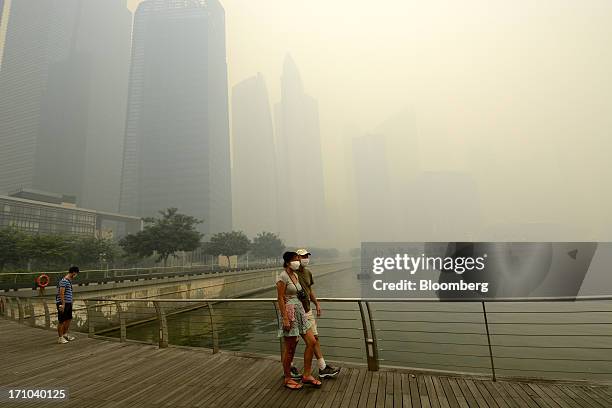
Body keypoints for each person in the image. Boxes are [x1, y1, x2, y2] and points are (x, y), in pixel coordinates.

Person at [289, 249, 341, 379]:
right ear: (296, 258)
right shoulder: (291, 273)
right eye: (302, 256)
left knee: (314, 339)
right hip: (295, 312)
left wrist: (316, 304)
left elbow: (309, 290)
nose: (305, 258)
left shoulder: (308, 273)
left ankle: (322, 368)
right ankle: (289, 367)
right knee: (293, 341)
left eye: (307, 256)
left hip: (307, 311)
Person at [277, 251, 321, 389]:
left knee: (312, 341)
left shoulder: (295, 275)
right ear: (288, 261)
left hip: (300, 311)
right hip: (289, 313)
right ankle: (288, 378)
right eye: (296, 259)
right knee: (290, 349)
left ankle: (306, 375)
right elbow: (280, 298)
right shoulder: (282, 277)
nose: (298, 261)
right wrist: (285, 318)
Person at [55, 266, 79, 344]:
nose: (76, 275)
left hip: (68, 303)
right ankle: (60, 337)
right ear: (74, 272)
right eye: (76, 273)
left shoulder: (69, 281)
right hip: (63, 303)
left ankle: (65, 334)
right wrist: (63, 304)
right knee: (61, 320)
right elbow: (61, 293)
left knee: (68, 319)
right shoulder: (64, 281)